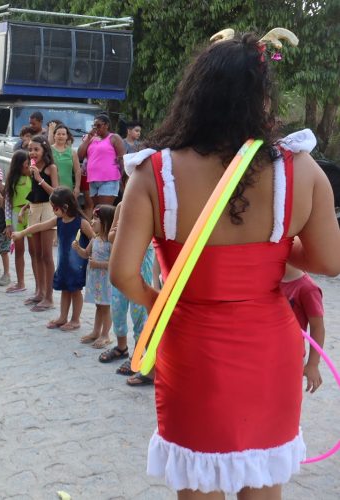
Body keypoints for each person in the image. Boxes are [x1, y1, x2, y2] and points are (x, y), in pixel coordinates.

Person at [110, 32, 340, 498]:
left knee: (198, 477)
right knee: (263, 482)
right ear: (262, 99)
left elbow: (122, 274)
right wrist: (273, 250)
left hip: (191, 347)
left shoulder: (154, 173)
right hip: (269, 350)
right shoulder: (300, 170)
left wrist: (159, 305)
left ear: (194, 94)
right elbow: (328, 261)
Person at [14, 187, 93, 332]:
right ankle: (63, 317)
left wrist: (87, 253)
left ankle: (75, 319)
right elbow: (39, 226)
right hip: (63, 264)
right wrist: (22, 233)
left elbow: (94, 239)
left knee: (75, 291)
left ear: (65, 207)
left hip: (77, 265)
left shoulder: (81, 223)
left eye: (54, 208)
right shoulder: (59, 220)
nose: (53, 210)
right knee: (65, 290)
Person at [100, 202, 157, 386]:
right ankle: (121, 346)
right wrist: (122, 233)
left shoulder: (151, 205)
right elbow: (110, 236)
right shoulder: (122, 206)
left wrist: (127, 233)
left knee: (139, 312)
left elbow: (148, 240)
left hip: (142, 264)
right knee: (117, 308)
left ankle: (138, 355)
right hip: (122, 263)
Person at [23, 135, 59, 312]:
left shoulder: (50, 168)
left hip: (47, 209)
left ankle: (49, 297)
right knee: (35, 253)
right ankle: (39, 291)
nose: (32, 152)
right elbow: (34, 192)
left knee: (46, 255)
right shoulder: (32, 168)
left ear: (44, 150)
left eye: (36, 149)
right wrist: (25, 206)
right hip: (34, 209)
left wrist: (40, 178)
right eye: (30, 149)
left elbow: (55, 193)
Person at [280, 263, 325, 394]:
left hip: (290, 359)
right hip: (265, 354)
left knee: (284, 398)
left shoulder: (308, 289)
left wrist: (313, 364)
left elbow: (317, 327)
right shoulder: (269, 281)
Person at [74, 205, 114, 346]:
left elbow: (114, 263)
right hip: (96, 280)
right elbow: (86, 254)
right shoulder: (94, 239)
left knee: (106, 307)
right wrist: (78, 248)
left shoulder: (110, 242)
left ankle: (105, 335)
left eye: (96, 219)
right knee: (99, 306)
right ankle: (96, 332)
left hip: (105, 280)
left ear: (106, 222)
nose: (92, 221)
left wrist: (98, 264)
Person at [77, 114, 125, 212]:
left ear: (106, 125)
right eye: (93, 126)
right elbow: (80, 155)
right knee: (97, 211)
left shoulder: (114, 138)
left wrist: (123, 178)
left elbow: (122, 158)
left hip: (109, 179)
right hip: (93, 180)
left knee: (103, 211)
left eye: (98, 125)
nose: (95, 128)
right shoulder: (91, 139)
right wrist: (88, 138)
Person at [4, 150, 32, 294]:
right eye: (26, 164)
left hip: (31, 215)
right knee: (19, 251)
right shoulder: (12, 181)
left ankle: (39, 286)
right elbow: (7, 203)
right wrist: (8, 224)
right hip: (16, 216)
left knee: (34, 251)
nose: (29, 166)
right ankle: (20, 282)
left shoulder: (33, 177)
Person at [50, 123, 81, 195]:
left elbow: (77, 171)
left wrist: (77, 187)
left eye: (63, 134)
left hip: (68, 189)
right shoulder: (49, 150)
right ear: (54, 136)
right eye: (58, 134)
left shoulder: (72, 152)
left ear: (67, 136)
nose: (61, 136)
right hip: (52, 189)